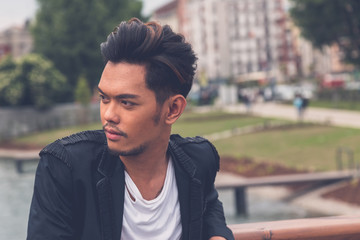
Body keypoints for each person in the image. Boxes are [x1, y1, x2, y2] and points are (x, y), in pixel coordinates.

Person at [27, 18, 234, 240]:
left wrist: (218, 236)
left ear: (173, 109)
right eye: (104, 98)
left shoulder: (198, 160)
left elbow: (210, 207)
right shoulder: (64, 168)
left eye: (127, 103)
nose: (108, 115)